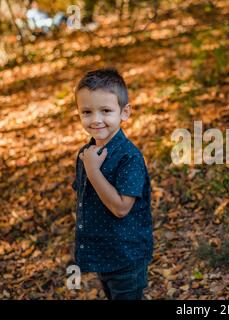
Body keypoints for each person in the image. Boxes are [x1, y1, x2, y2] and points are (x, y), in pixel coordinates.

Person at [72, 68, 153, 300]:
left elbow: (121, 208)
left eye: (106, 110)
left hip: (126, 255)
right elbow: (84, 201)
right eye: (87, 112)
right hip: (102, 253)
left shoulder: (129, 157)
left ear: (124, 112)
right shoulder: (87, 153)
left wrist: (93, 170)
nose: (96, 119)